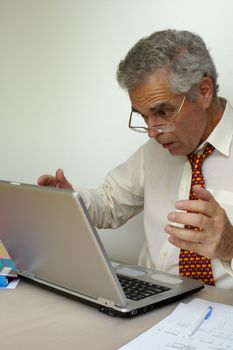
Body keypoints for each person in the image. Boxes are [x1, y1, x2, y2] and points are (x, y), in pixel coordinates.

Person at [38, 29, 233, 289]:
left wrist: (230, 247)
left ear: (204, 91)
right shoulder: (154, 152)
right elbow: (109, 203)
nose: (152, 132)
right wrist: (70, 201)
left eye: (162, 112)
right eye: (143, 116)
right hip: (152, 301)